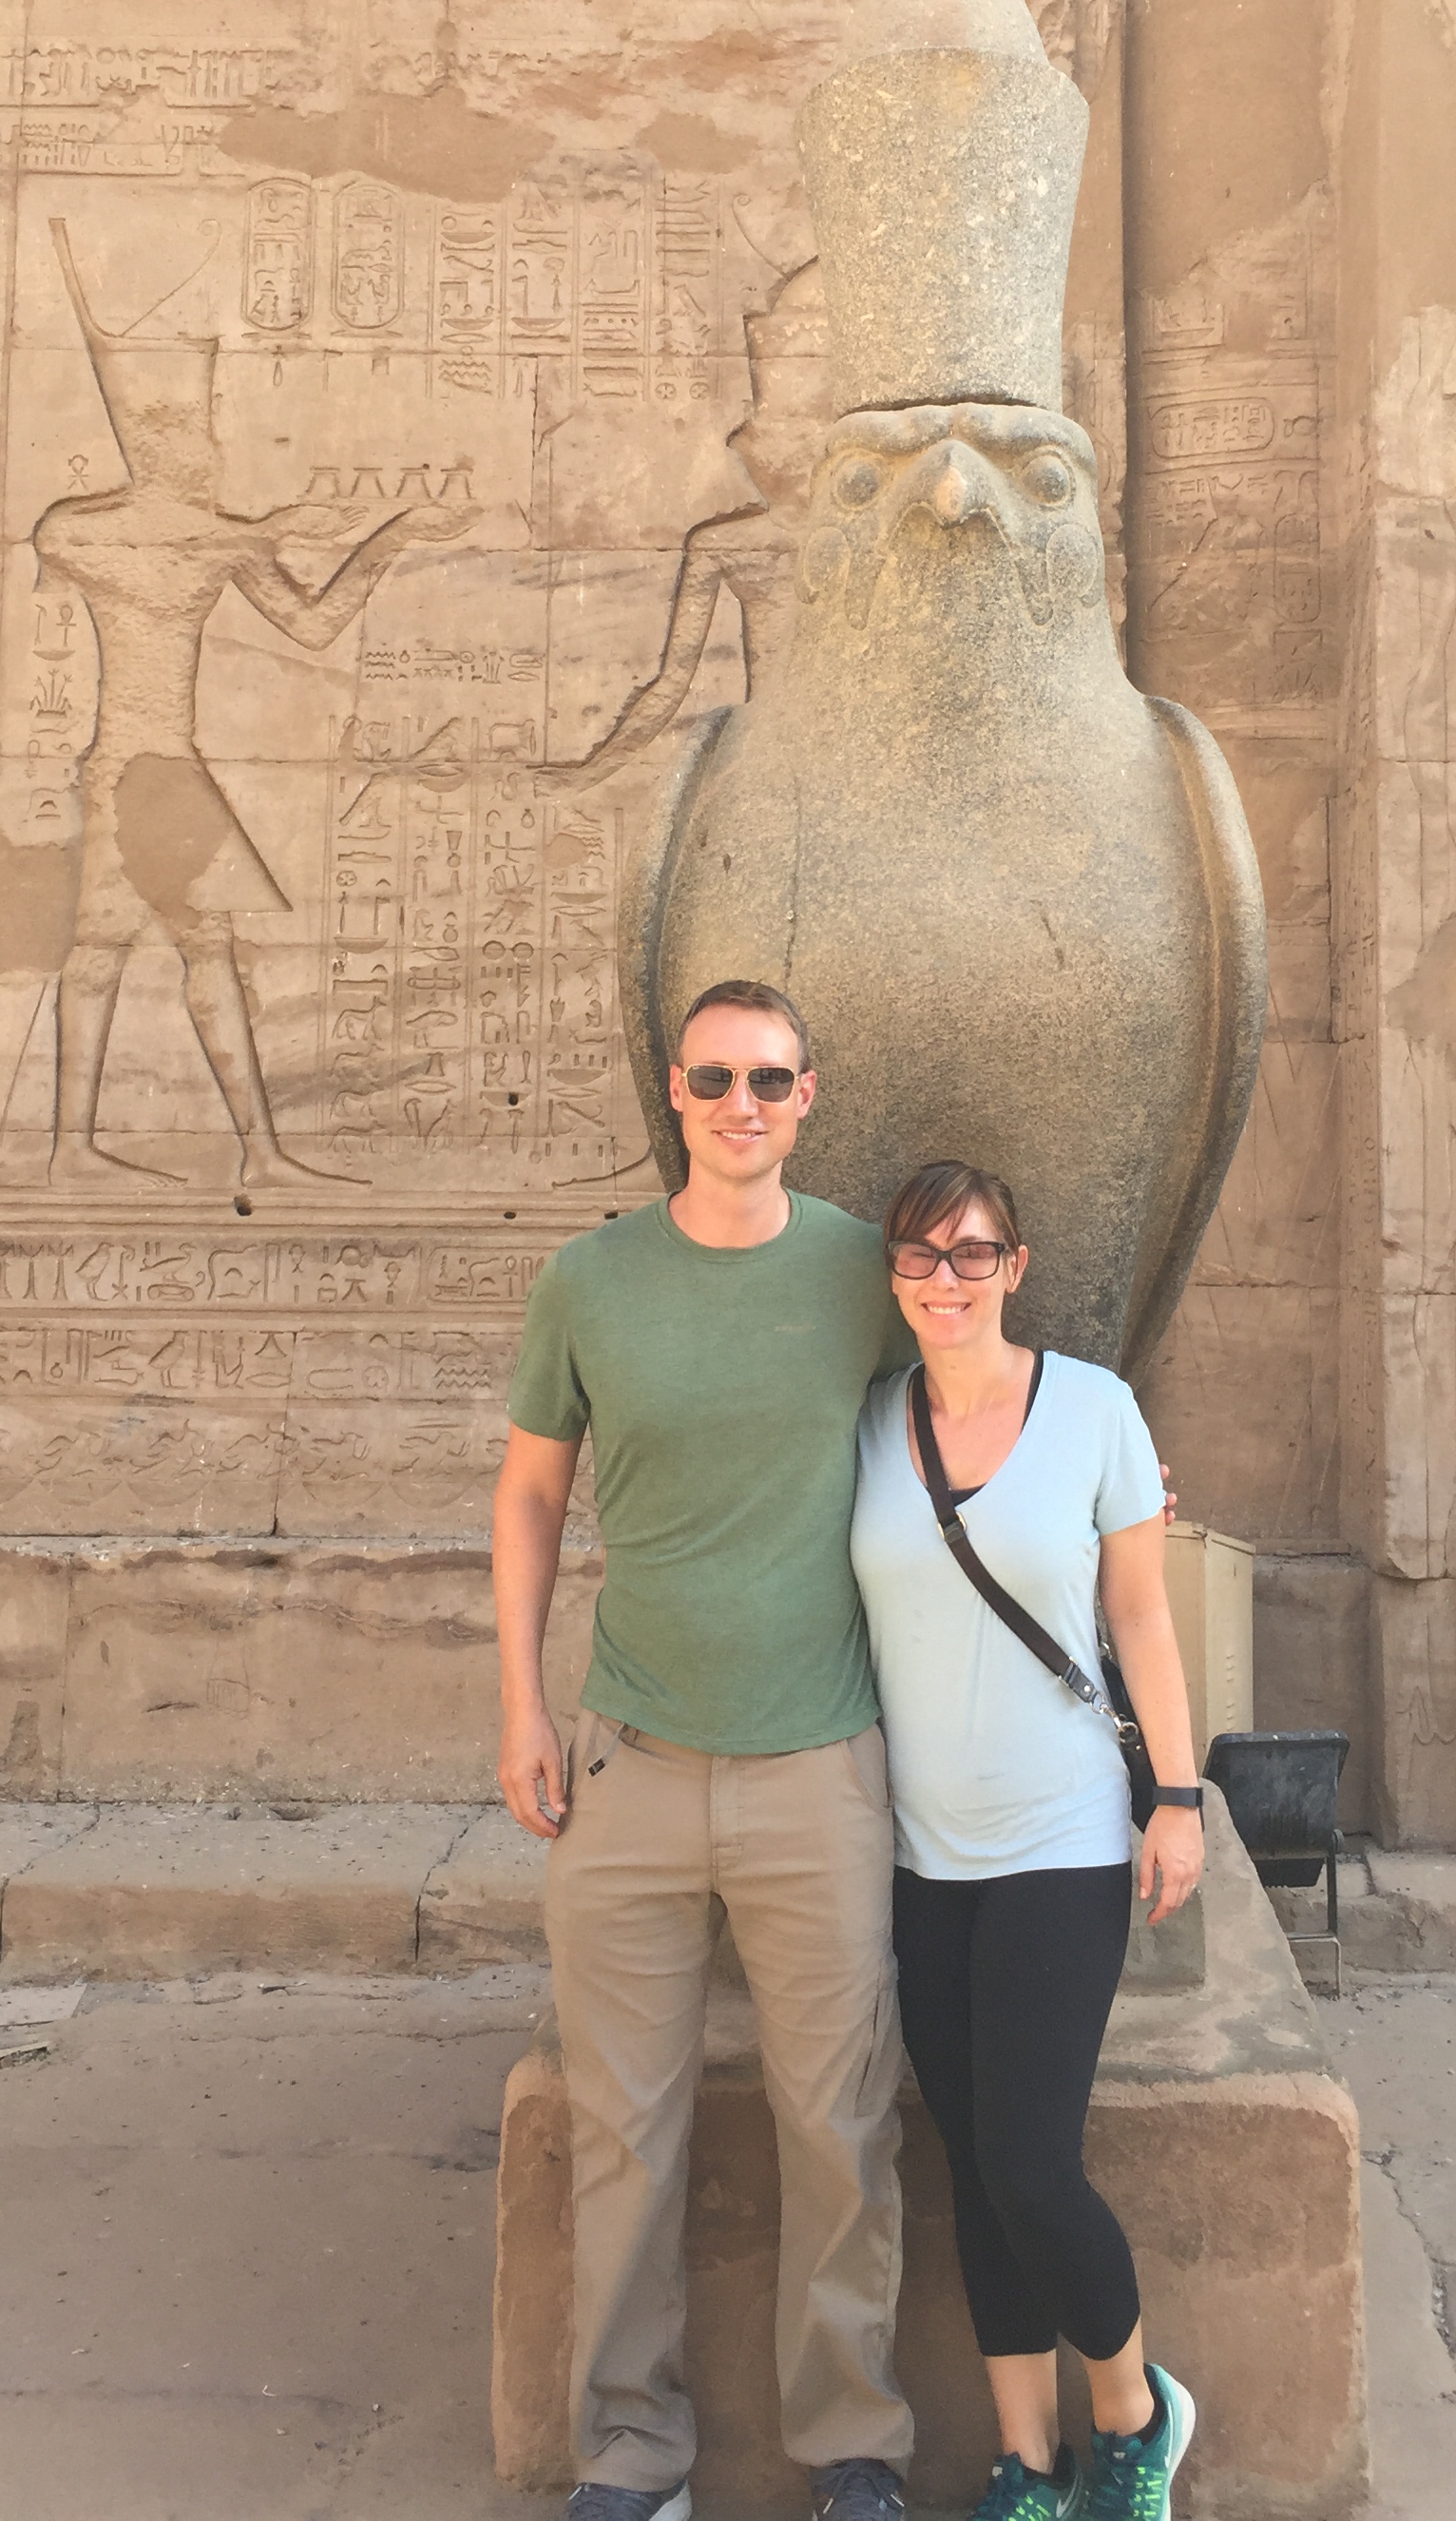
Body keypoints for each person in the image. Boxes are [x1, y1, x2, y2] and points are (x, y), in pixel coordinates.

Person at [493, 979, 922, 2521]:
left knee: (843, 2124)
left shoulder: (864, 1273)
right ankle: (631, 2453)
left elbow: (966, 1425)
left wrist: (1119, 1492)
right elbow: (531, 1494)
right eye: (717, 1078)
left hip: (821, 1765)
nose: (744, 1103)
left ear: (810, 1097)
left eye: (771, 1079)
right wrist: (522, 1704)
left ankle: (855, 2446)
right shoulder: (591, 1283)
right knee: (623, 2131)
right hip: (632, 1761)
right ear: (673, 1093)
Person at [850, 1160, 1207, 2521]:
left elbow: (1142, 1615)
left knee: (1030, 2166)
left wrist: (1176, 1796)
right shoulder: (868, 1422)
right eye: (920, 1255)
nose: (946, 1279)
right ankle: (1029, 2465)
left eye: (972, 1253)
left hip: (1060, 1839)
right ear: (892, 1273)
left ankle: (1134, 2415)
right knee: (974, 2173)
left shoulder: (1095, 1410)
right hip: (922, 1854)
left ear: (1016, 1266)